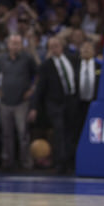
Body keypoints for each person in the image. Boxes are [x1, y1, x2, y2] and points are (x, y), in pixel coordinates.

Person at [28, 34, 79, 175]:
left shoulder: (73, 59)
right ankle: (60, 163)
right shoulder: (46, 66)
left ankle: (71, 161)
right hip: (55, 104)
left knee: (71, 132)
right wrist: (34, 107)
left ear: (61, 47)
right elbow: (39, 89)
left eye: (56, 46)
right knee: (59, 132)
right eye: (51, 47)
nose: (54, 49)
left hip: (72, 101)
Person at [0, 34, 37, 171]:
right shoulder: (1, 59)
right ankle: (7, 162)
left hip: (21, 101)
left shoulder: (27, 58)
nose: (15, 46)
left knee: (23, 133)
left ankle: (26, 163)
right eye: (13, 43)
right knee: (6, 134)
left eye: (18, 43)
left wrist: (32, 89)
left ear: (22, 45)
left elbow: (37, 74)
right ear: (8, 44)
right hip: (5, 101)